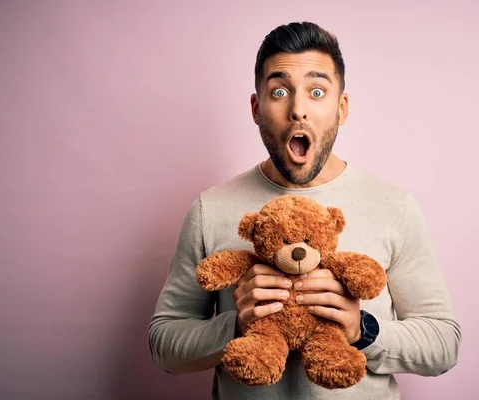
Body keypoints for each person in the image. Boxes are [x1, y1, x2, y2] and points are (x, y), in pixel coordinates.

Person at [148, 21, 461, 399]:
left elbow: (444, 344)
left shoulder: (395, 207)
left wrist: (361, 329)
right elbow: (164, 344)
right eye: (279, 91)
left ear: (341, 108)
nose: (298, 110)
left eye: (316, 91)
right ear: (256, 108)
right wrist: (235, 326)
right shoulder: (209, 209)